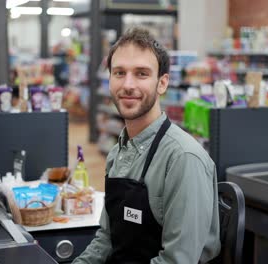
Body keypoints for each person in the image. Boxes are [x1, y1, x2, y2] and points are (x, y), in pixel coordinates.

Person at [73, 27, 220, 264]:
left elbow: (177, 261)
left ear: (162, 84)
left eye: (141, 74)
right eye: (119, 73)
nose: (128, 85)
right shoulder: (118, 152)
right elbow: (107, 239)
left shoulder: (182, 159)